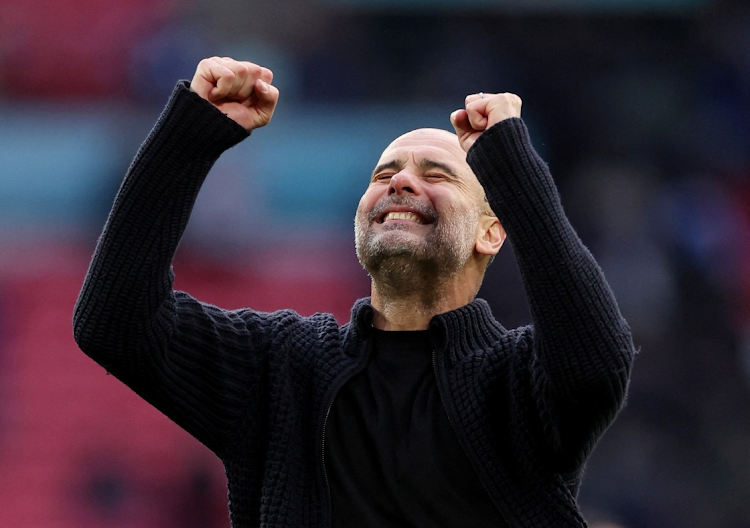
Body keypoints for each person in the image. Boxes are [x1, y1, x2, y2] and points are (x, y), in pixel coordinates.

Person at [73, 57, 636, 528]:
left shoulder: (518, 383)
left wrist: (512, 164)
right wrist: (190, 135)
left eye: (436, 174)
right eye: (384, 173)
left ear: (492, 230)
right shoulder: (280, 369)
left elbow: (594, 361)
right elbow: (116, 322)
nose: (400, 181)